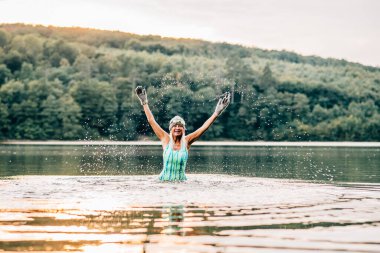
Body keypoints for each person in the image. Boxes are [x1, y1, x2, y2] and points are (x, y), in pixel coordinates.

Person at [135, 86, 230, 181]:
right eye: (174, 126)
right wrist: (144, 102)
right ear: (170, 129)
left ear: (184, 129)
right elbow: (151, 120)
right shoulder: (165, 139)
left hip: (182, 183)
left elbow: (204, 128)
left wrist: (216, 113)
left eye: (180, 126)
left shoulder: (187, 141)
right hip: (162, 182)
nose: (177, 128)